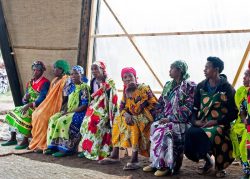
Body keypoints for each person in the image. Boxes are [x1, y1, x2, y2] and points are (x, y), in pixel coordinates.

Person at [184, 57, 238, 178]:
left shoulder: (227, 88)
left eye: (207, 67)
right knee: (190, 133)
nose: (204, 70)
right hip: (203, 123)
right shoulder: (201, 86)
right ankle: (208, 161)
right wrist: (195, 121)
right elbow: (195, 107)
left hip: (220, 124)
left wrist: (216, 121)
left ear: (216, 69)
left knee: (212, 133)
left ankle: (220, 167)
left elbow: (233, 112)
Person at [142, 60, 196, 176]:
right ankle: (156, 163)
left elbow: (188, 107)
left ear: (180, 70)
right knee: (155, 126)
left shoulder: (189, 86)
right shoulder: (168, 85)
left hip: (182, 121)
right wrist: (159, 116)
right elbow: (161, 103)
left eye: (172, 68)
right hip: (167, 119)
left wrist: (171, 118)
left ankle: (166, 165)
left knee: (167, 130)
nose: (169, 71)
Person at [99, 67, 158, 170]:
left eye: (130, 76)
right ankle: (115, 155)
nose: (127, 79)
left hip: (147, 115)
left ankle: (135, 159)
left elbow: (146, 106)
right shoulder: (126, 91)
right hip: (133, 115)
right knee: (118, 120)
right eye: (124, 77)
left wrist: (133, 110)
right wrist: (126, 115)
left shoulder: (143, 88)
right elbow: (122, 107)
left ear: (135, 77)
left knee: (133, 123)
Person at [2, 61, 50, 149]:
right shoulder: (30, 83)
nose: (35, 72)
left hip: (39, 107)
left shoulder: (45, 82)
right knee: (13, 112)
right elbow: (24, 101)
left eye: (38, 70)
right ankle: (13, 138)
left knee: (25, 114)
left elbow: (42, 98)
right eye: (34, 70)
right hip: (29, 105)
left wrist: (28, 105)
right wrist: (25, 99)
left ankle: (25, 140)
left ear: (42, 71)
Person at [44, 65, 90, 157]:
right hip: (70, 111)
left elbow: (85, 105)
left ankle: (65, 149)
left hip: (79, 112)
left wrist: (69, 112)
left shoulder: (84, 87)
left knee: (62, 121)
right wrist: (64, 111)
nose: (73, 76)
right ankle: (53, 146)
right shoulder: (71, 87)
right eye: (72, 74)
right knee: (53, 119)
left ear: (81, 75)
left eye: (76, 74)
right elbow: (67, 101)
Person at [78, 61, 118, 160]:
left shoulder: (109, 81)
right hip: (95, 107)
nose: (94, 71)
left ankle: (97, 150)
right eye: (92, 69)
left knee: (94, 123)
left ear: (102, 69)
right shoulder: (93, 81)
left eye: (96, 68)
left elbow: (113, 98)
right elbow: (93, 98)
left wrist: (109, 115)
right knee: (85, 122)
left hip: (107, 109)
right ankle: (87, 149)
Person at [28, 59, 70, 152]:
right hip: (49, 104)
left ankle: (44, 144)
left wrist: (59, 106)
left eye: (56, 68)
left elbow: (65, 97)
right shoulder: (55, 80)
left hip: (59, 106)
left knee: (43, 117)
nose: (54, 70)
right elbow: (49, 96)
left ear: (62, 70)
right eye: (54, 68)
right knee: (36, 114)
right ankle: (37, 142)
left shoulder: (66, 80)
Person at [230, 66, 250, 177]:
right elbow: (241, 109)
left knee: (245, 144)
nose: (244, 78)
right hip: (244, 123)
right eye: (244, 75)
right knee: (242, 141)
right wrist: (245, 121)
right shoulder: (241, 91)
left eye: (247, 75)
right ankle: (246, 170)